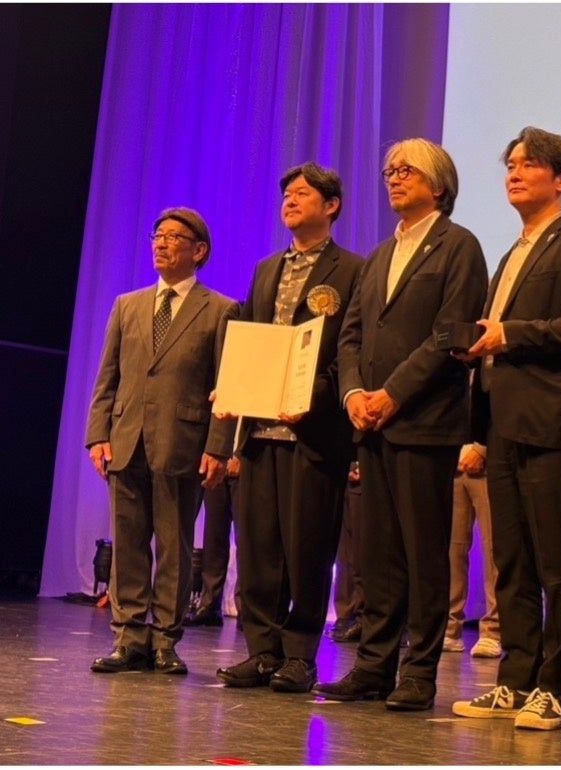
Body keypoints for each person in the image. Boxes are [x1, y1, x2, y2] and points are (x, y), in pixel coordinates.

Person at [315, 138, 488, 712]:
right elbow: (350, 335)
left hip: (424, 422)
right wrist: (353, 393)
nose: (393, 177)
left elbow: (449, 334)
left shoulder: (459, 246)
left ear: (438, 185)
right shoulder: (379, 255)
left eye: (406, 170)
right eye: (389, 170)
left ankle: (419, 671)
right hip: (372, 423)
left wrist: (393, 393)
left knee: (423, 552)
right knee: (378, 554)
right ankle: (373, 666)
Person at [452, 126, 561, 731]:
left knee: (556, 563)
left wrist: (510, 335)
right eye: (510, 165)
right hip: (503, 425)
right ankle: (514, 680)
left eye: (528, 165)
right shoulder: (510, 254)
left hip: (551, 425)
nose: (514, 174)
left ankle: (552, 688)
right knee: (511, 561)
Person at [215, 162, 363, 694]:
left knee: (308, 549)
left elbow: (351, 351)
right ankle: (261, 650)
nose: (290, 201)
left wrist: (313, 398)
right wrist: (232, 390)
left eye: (302, 194)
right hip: (260, 433)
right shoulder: (265, 269)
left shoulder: (353, 270)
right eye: (286, 195)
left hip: (314, 433)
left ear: (331, 205)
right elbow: (253, 340)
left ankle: (300, 655)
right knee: (259, 548)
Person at [86, 207, 237, 676]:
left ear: (199, 251)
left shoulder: (220, 310)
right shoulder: (127, 305)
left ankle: (165, 640)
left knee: (174, 546)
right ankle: (129, 638)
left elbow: (227, 387)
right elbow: (107, 377)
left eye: (174, 237)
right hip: (126, 439)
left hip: (182, 443)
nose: (161, 243)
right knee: (129, 542)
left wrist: (219, 446)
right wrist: (97, 434)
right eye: (158, 235)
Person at [444, 441, 502, 658]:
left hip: (490, 464)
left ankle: (493, 631)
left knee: (494, 549)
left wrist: (481, 449)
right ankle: (450, 627)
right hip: (452, 461)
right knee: (451, 551)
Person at [185, 453, 241, 628]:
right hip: (217, 461)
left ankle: (247, 610)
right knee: (213, 536)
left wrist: (239, 456)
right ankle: (209, 605)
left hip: (247, 463)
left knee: (247, 539)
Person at [328, 460, 363, 642]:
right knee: (344, 551)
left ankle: (364, 615)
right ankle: (346, 612)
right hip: (343, 469)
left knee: (364, 549)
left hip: (372, 466)